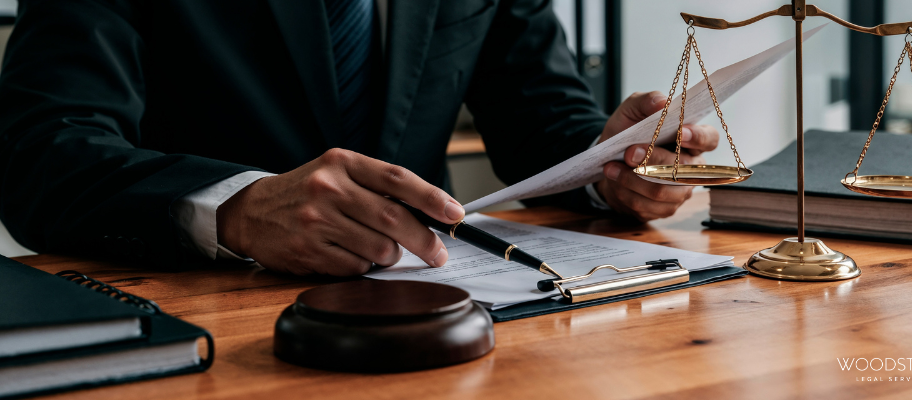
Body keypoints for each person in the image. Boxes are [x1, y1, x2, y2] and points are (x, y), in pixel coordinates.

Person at [0, 0, 718, 276]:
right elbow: (41, 158)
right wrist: (237, 208)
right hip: (205, 317)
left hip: (441, 310)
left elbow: (542, 126)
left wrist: (613, 164)